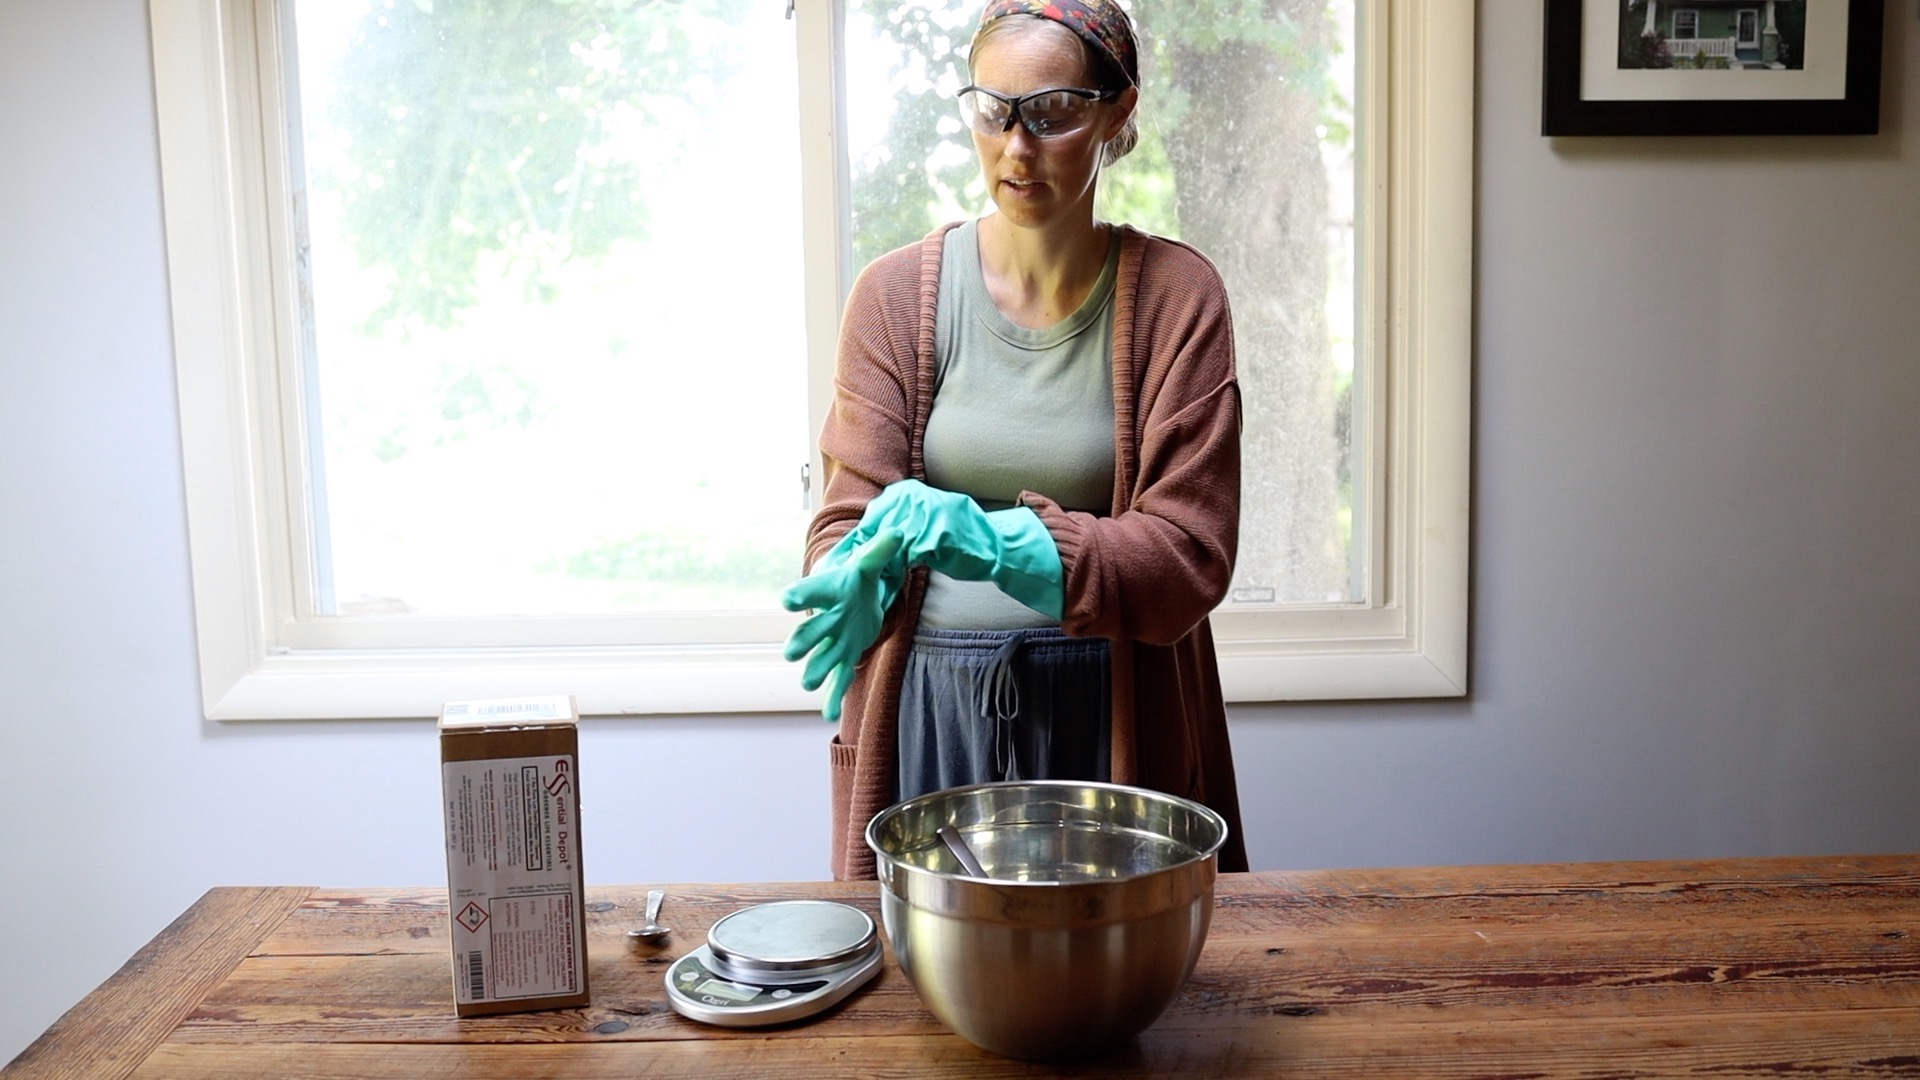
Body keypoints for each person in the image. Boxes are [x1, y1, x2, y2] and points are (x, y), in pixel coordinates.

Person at [783, 0, 1248, 880]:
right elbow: (846, 516)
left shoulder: (1179, 298)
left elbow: (1191, 555)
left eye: (1053, 112)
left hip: (1107, 721)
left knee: (1114, 993)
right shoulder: (892, 297)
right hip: (928, 711)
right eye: (993, 112)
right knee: (924, 993)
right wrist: (855, 565)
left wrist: (988, 539)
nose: (1016, 146)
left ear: (1118, 112)